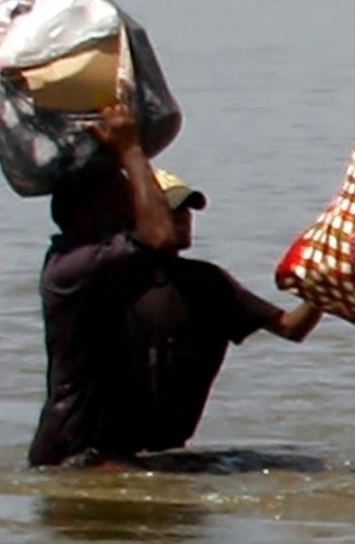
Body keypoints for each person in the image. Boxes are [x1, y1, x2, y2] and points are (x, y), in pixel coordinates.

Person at [32, 98, 312, 468]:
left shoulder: (204, 282)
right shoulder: (77, 268)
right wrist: (130, 149)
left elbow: (291, 327)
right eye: (167, 209)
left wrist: (326, 285)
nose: (179, 220)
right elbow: (158, 238)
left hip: (146, 457)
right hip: (79, 457)